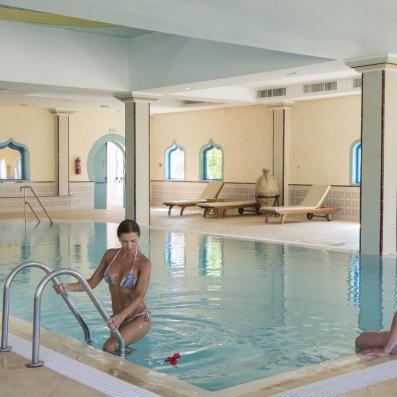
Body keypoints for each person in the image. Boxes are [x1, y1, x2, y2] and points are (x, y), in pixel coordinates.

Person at [54, 219, 151, 353]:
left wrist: (121, 316)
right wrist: (67, 287)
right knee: (117, 351)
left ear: (138, 238)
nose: (129, 246)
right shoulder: (110, 255)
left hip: (137, 318)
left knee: (108, 347)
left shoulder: (143, 263)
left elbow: (140, 295)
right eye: (125, 241)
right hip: (117, 319)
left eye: (133, 241)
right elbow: (92, 282)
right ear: (119, 238)